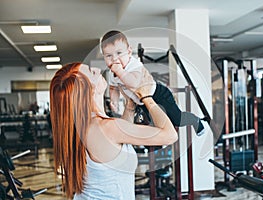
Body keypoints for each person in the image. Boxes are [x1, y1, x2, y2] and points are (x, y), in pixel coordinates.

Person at [50, 62, 177, 199]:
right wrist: (146, 96)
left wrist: (130, 106)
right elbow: (169, 135)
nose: (98, 69)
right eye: (92, 72)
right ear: (89, 90)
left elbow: (117, 144)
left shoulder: (83, 126)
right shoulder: (107, 127)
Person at [101, 30, 206, 136]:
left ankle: (194, 120)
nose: (114, 59)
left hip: (159, 94)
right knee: (152, 125)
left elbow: (134, 82)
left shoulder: (133, 64)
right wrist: (114, 101)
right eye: (108, 55)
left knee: (176, 119)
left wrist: (119, 71)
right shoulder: (111, 73)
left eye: (119, 53)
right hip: (142, 102)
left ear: (129, 52)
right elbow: (113, 88)